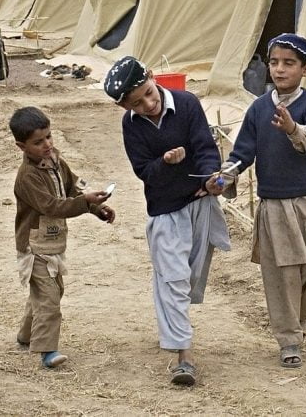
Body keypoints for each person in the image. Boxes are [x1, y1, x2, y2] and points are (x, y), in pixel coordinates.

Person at [208, 33, 306, 369]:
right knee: (282, 277)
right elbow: (243, 151)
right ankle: (289, 339)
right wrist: (224, 178)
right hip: (274, 206)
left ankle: (299, 325)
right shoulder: (259, 109)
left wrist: (294, 129)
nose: (279, 70)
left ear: (305, 69)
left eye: (289, 63)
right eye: (274, 62)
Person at [105, 56, 230, 386]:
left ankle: (174, 326)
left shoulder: (187, 104)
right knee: (172, 279)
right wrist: (165, 161)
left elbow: (205, 147)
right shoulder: (132, 126)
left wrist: (211, 177)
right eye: (137, 103)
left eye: (148, 93)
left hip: (200, 202)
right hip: (164, 211)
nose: (149, 103)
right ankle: (183, 356)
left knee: (188, 278)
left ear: (152, 78)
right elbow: (144, 172)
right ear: (125, 107)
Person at [9, 106, 114, 369]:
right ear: (21, 146)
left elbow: (72, 186)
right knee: (49, 298)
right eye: (38, 142)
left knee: (49, 292)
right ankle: (47, 350)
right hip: (35, 246)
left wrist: (96, 207)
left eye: (48, 137)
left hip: (53, 241)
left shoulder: (55, 160)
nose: (46, 144)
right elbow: (53, 206)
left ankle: (26, 335)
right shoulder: (28, 177)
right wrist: (84, 202)